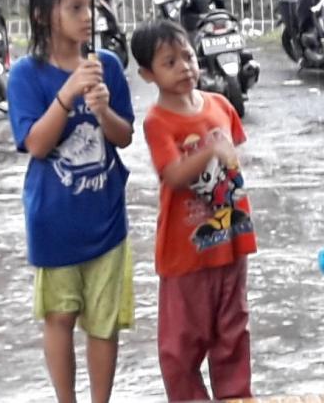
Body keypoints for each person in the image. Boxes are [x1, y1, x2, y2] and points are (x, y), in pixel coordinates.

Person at [7, 0, 135, 403]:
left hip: (106, 218)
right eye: (75, 7)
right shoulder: (27, 75)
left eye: (91, 6)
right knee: (60, 315)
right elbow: (37, 144)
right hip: (53, 219)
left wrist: (103, 110)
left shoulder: (108, 67)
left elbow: (124, 136)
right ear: (45, 15)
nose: (88, 17)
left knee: (104, 322)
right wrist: (68, 94)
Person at [130, 20, 257, 402]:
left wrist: (220, 156)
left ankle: (236, 395)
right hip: (185, 252)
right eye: (170, 62)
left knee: (233, 329)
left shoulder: (219, 104)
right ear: (148, 74)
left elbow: (234, 154)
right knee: (181, 343)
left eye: (187, 56)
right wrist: (208, 151)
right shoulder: (158, 121)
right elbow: (173, 175)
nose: (184, 67)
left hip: (231, 237)